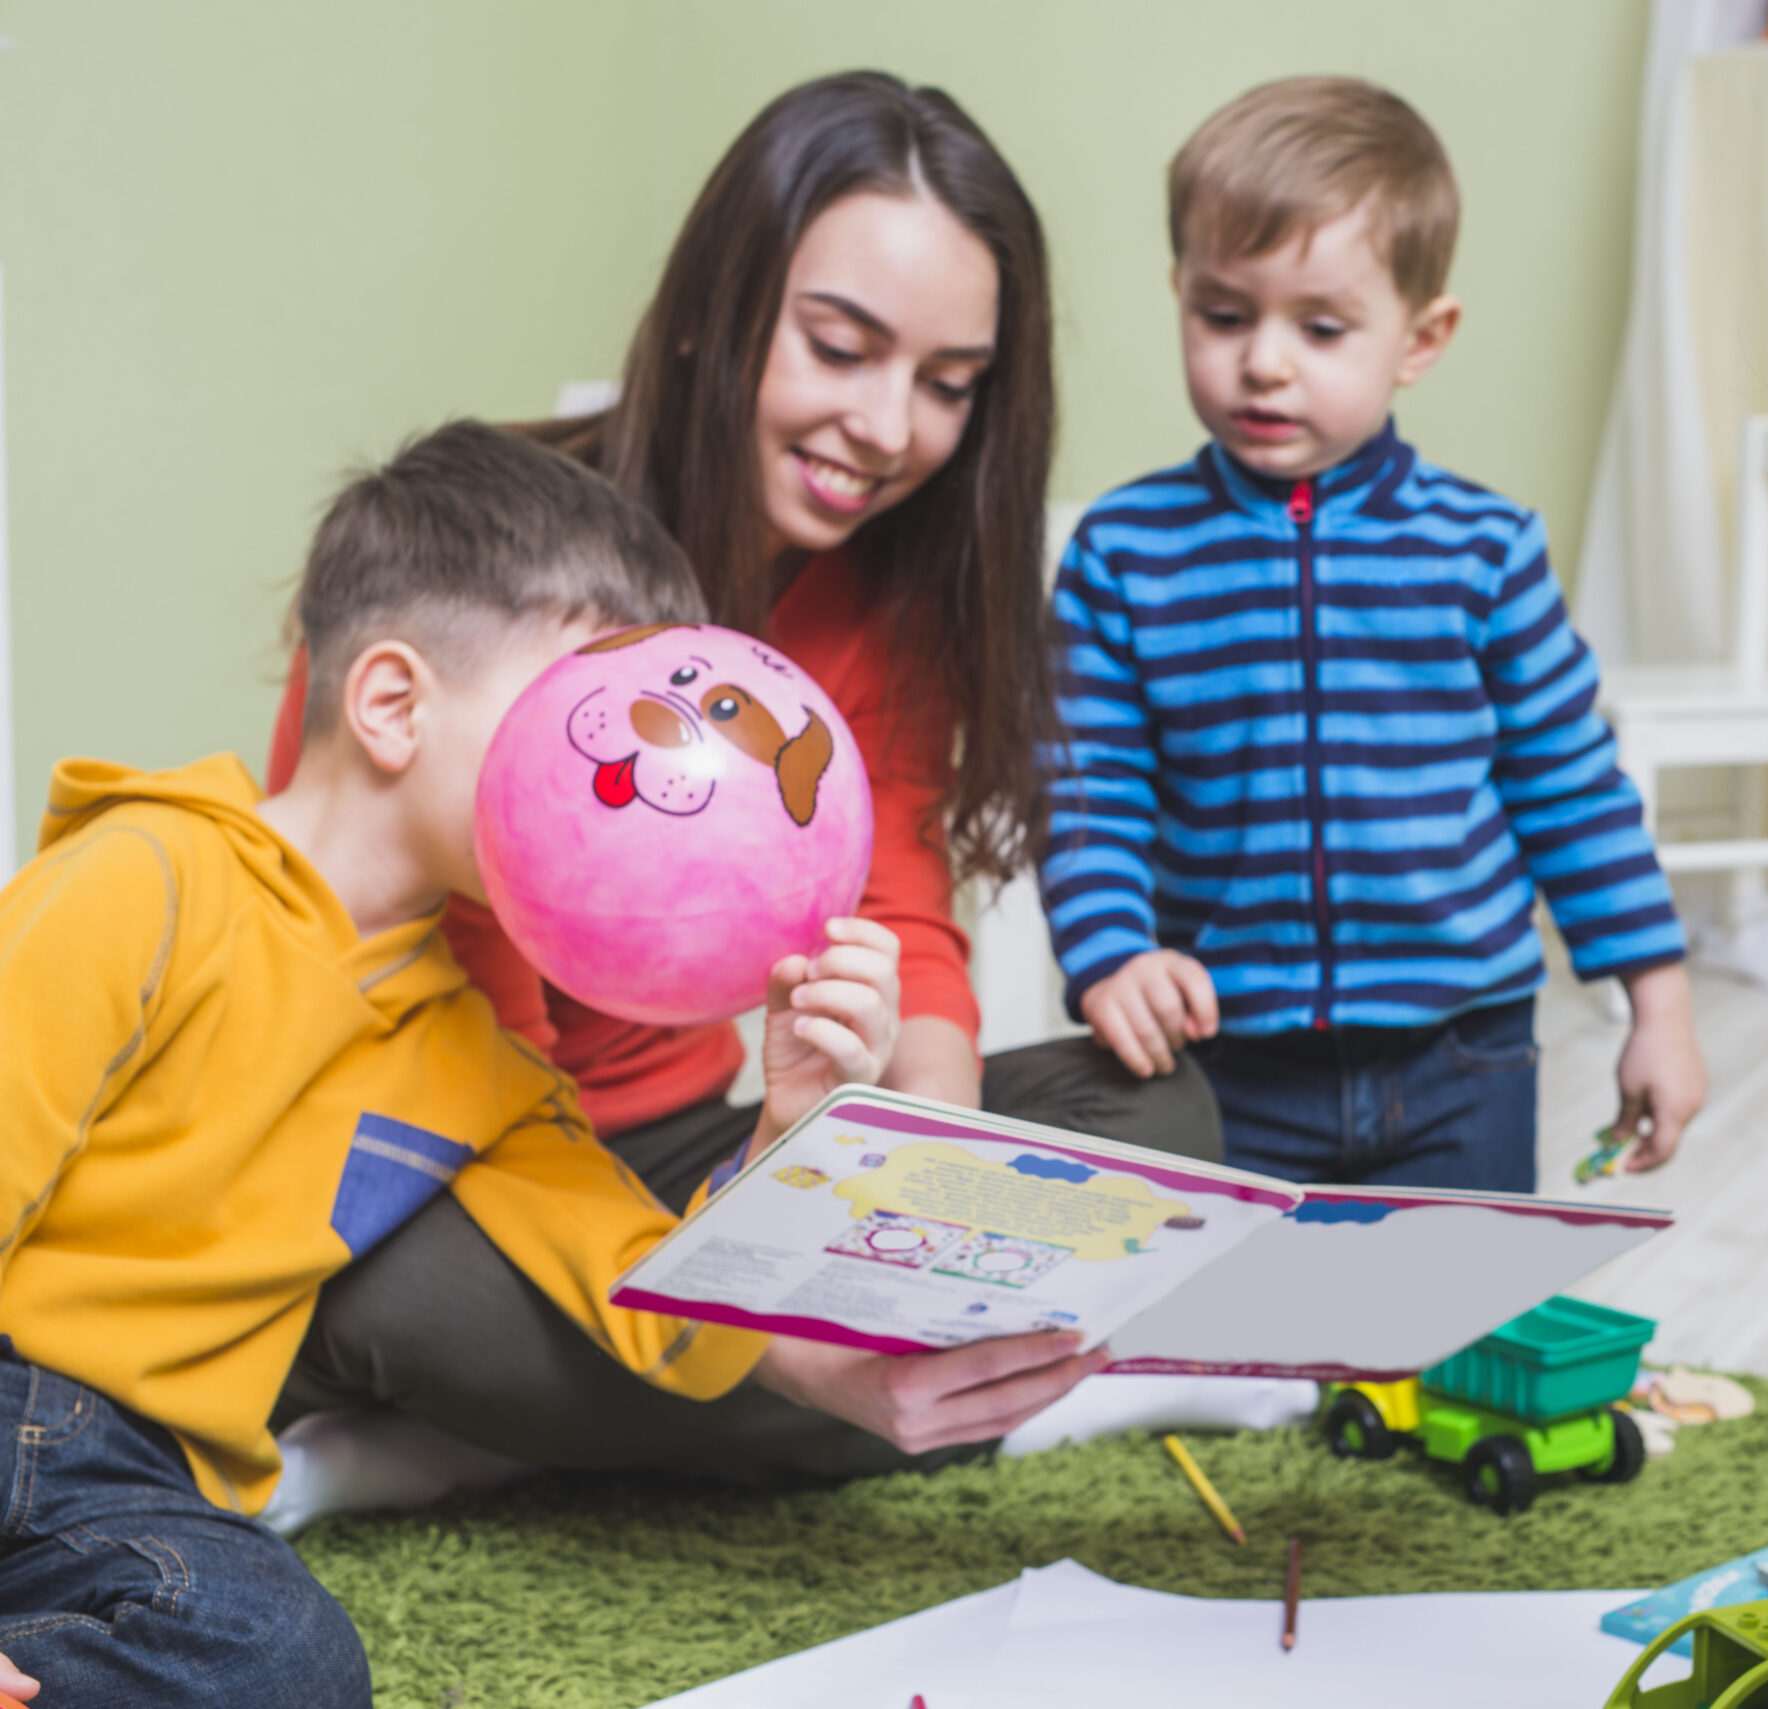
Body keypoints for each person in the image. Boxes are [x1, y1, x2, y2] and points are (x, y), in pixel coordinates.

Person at [0, 422, 1104, 1704]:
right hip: (26, 1394)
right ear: (393, 702)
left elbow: (675, 1334)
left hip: (143, 1486)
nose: (626, 767)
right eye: (576, 707)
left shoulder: (476, 1053)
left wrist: (789, 1120)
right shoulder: (145, 877)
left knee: (284, 1657)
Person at [267, 72, 1208, 1487]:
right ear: (717, 309)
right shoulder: (487, 571)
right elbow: (449, 1059)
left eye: (949, 385)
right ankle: (810, 1400)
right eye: (840, 347)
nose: (889, 426)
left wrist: (926, 1170)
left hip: (709, 1146)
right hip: (470, 1164)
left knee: (1161, 1118)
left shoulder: (885, 587)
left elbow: (900, 904)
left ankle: (662, 1404)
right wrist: (787, 1345)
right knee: (373, 1285)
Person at [1038, 77, 1709, 1192]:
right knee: (1244, 1353)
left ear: (1419, 337)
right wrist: (1111, 952)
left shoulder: (1484, 547)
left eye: (1321, 326)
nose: (1264, 360)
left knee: (1444, 1342)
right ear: (1179, 295)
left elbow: (1569, 784)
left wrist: (1660, 1003)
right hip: (1224, 1062)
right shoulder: (1123, 550)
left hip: (1464, 1052)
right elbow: (1086, 785)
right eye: (1223, 314)